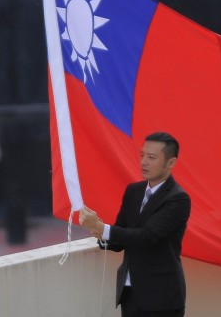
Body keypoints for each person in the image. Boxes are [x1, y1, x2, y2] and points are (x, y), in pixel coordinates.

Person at [79, 132, 191, 317]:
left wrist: (102, 228)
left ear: (171, 163)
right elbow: (119, 239)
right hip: (130, 293)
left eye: (152, 157)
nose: (144, 162)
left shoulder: (178, 198)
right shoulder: (133, 191)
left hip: (162, 296)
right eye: (142, 155)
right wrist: (99, 232)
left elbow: (147, 237)